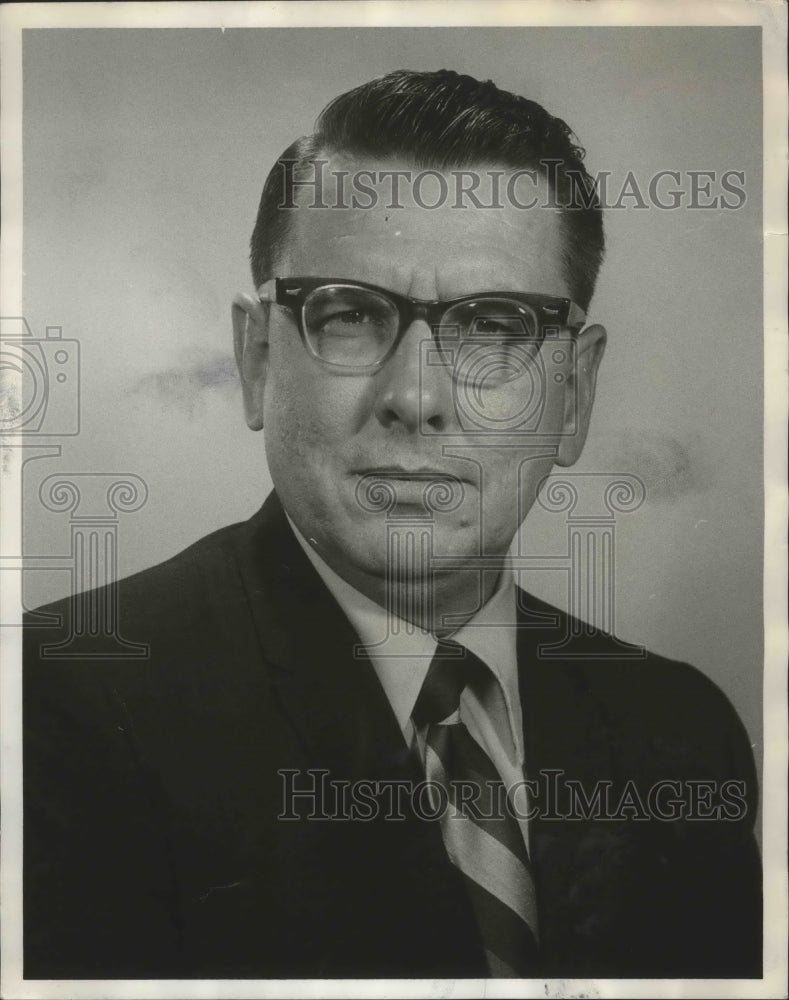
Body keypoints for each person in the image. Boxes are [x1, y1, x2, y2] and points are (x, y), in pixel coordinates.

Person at [24, 69, 761, 980]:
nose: (415, 398)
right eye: (350, 316)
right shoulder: (50, 710)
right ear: (257, 361)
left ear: (573, 394)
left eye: (495, 326)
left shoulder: (680, 734)